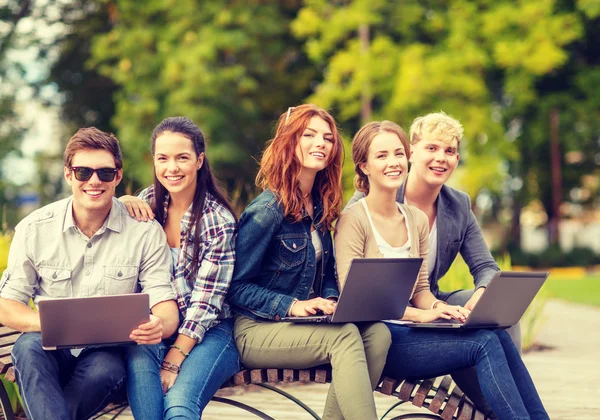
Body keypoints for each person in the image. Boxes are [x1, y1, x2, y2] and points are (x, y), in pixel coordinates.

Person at [335, 120, 549, 420]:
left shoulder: (416, 218)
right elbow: (358, 299)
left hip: (413, 326)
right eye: (381, 156)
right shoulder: (353, 219)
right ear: (364, 166)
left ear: (405, 155)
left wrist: (438, 307)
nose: (393, 162)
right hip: (377, 336)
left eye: (396, 154)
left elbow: (422, 288)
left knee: (494, 334)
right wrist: (424, 314)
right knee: (484, 343)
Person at [0, 127, 179, 420]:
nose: (94, 181)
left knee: (106, 369)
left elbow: (165, 306)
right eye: (83, 172)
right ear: (68, 175)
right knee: (27, 347)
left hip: (104, 352)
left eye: (105, 173)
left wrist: (159, 324)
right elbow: (6, 305)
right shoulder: (35, 229)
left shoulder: (145, 232)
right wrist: (53, 324)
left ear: (118, 176)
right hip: (49, 345)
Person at [227, 104, 391, 420]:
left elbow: (327, 272)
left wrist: (329, 300)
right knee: (343, 338)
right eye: (309, 135)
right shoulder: (267, 211)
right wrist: (291, 305)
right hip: (256, 328)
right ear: (290, 142)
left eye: (328, 138)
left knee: (378, 334)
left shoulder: (318, 205)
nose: (321, 143)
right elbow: (235, 288)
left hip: (303, 324)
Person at [119, 117, 240, 420]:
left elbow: (207, 304)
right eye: (163, 158)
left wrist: (174, 358)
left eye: (182, 158)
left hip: (210, 331)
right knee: (147, 398)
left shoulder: (217, 220)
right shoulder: (146, 204)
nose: (171, 168)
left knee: (179, 406)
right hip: (155, 328)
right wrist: (121, 200)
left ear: (199, 160)